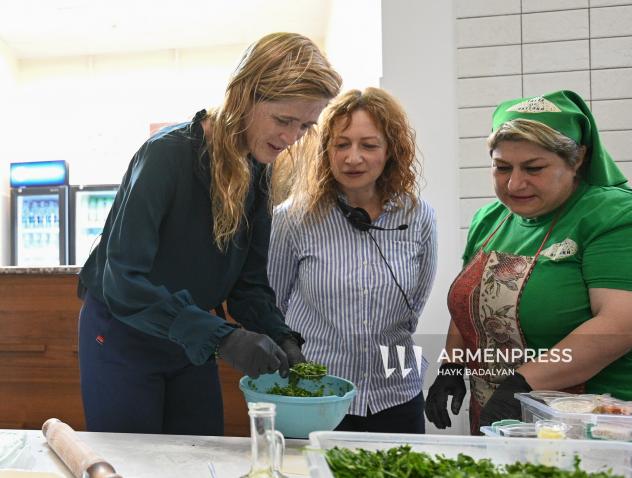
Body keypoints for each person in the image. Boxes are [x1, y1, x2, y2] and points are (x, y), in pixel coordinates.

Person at [77, 32, 342, 435]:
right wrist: (224, 338)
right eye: (283, 120)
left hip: (192, 341)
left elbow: (249, 285)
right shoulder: (167, 154)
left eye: (305, 126)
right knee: (133, 462)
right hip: (123, 335)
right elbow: (123, 281)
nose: (291, 139)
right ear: (244, 96)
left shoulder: (258, 172)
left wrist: (280, 336)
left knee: (201, 455)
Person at [424, 90, 632, 455]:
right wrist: (453, 367)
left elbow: (624, 325)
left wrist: (522, 383)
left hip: (614, 420)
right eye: (502, 167)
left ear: (577, 159)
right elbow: (470, 303)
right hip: (512, 415)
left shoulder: (621, 217)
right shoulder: (491, 219)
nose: (515, 183)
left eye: (534, 168)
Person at [268, 87, 438, 434]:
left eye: (369, 145)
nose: (352, 157)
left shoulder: (419, 217)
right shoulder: (293, 218)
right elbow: (272, 304)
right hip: (316, 397)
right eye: (342, 144)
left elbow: (412, 309)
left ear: (390, 151)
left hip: (397, 394)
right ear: (326, 150)